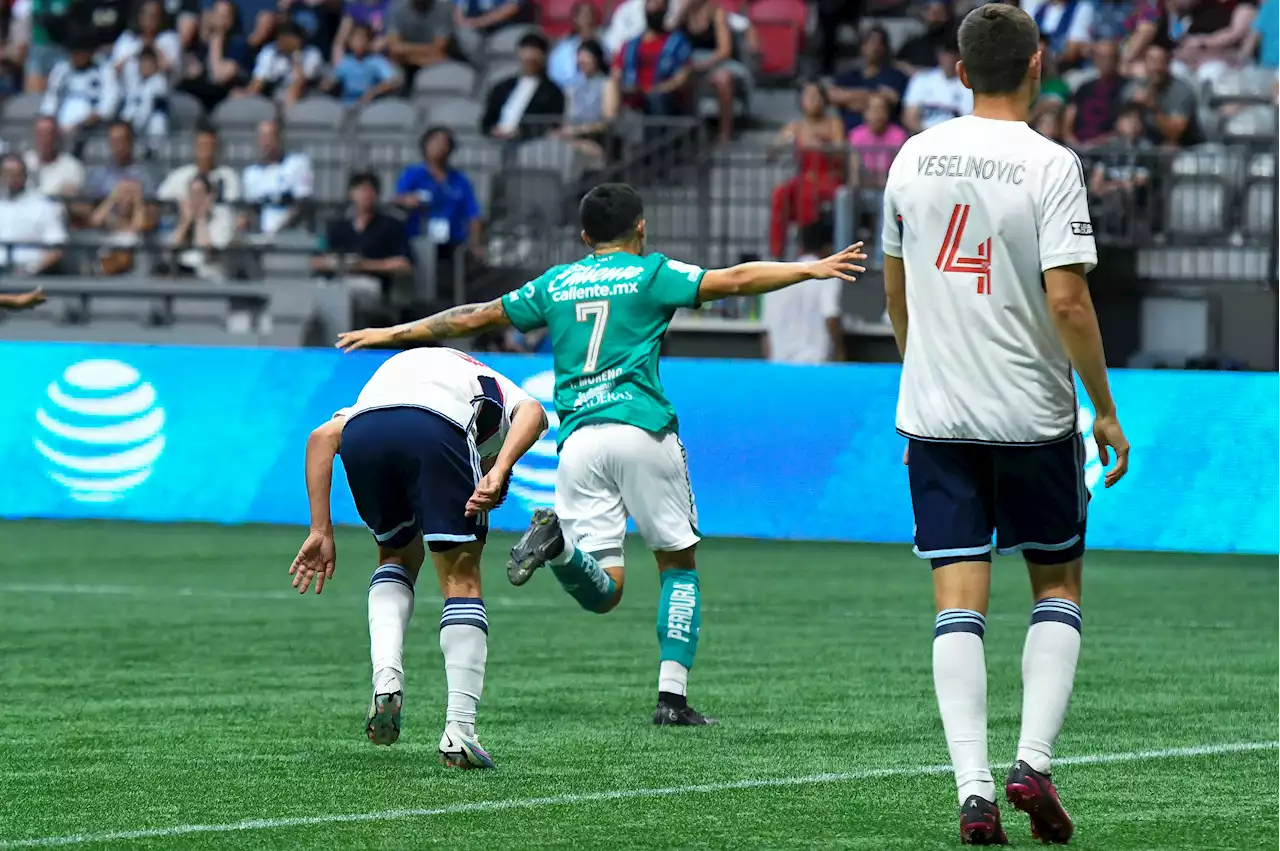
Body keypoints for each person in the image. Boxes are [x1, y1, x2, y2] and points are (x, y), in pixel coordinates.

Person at [335, 182, 868, 726]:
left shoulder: (557, 282)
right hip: (643, 431)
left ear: (585, 235)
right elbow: (733, 280)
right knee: (678, 566)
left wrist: (395, 331)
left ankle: (560, 547)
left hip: (581, 442)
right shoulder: (652, 273)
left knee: (605, 591)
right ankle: (672, 699)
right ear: (641, 226)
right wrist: (811, 269)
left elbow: (473, 316)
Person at [880, 5, 1130, 844]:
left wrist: (925, 366)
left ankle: (974, 791)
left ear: (958, 71)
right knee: (1056, 585)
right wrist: (1103, 407)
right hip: (1030, 414)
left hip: (938, 415)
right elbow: (1068, 299)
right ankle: (1033, 760)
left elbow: (895, 289)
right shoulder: (1053, 164)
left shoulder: (911, 155)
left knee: (958, 600)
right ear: (1038, 65)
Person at [289, 346, 549, 769]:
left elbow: (320, 438)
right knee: (461, 578)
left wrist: (320, 529)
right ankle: (459, 732)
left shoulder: (420, 372)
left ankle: (386, 676)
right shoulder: (498, 392)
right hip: (437, 427)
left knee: (395, 555)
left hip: (365, 431)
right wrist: (499, 471)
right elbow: (535, 411)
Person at [768, 79, 845, 259]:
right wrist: (783, 143)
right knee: (780, 193)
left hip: (827, 178)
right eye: (808, 96)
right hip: (804, 178)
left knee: (807, 196)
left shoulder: (833, 124)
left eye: (816, 96)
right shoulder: (796, 126)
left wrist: (823, 145)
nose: (812, 100)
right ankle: (777, 253)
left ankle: (808, 250)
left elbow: (841, 153)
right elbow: (773, 151)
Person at [313, 170, 413, 300]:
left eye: (369, 190)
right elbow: (316, 260)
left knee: (346, 293)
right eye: (360, 190)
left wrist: (365, 265)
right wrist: (335, 263)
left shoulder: (390, 225)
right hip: (337, 279)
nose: (365, 195)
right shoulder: (337, 226)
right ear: (350, 193)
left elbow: (403, 264)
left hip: (373, 283)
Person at [761, 222, 844, 363]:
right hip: (814, 365)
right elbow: (831, 318)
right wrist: (840, 353)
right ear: (827, 249)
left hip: (780, 366)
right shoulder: (827, 277)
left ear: (800, 248)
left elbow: (766, 334)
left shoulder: (776, 276)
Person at [394, 126, 483, 257]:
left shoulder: (460, 180)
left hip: (453, 241)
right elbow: (398, 199)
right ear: (425, 145)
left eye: (444, 143)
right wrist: (408, 201)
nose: (440, 147)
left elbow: (473, 214)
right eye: (435, 142)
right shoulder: (412, 174)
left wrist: (476, 244)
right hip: (419, 238)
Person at [680, 0, 751, 143]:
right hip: (692, 62)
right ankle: (687, 130)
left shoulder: (717, 13)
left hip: (717, 62)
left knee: (723, 79)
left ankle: (725, 131)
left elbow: (724, 50)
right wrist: (681, 13)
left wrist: (705, 64)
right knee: (681, 77)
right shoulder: (684, 15)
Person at [611, 0, 693, 117]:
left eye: (658, 5)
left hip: (665, 101)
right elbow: (616, 73)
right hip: (633, 99)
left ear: (665, 10)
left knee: (656, 99)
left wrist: (655, 90)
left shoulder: (677, 42)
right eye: (651, 4)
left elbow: (683, 76)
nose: (654, 9)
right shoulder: (630, 45)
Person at [480, 32, 565, 141]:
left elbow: (551, 123)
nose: (529, 57)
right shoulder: (501, 87)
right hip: (496, 143)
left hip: (530, 145)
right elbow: (487, 119)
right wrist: (493, 130)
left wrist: (521, 133)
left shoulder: (552, 92)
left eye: (534, 53)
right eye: (526, 51)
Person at [828, 25, 908, 134]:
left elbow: (893, 98)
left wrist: (850, 100)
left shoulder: (895, 76)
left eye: (879, 43)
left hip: (886, 138)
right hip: (849, 135)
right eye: (870, 43)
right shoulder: (849, 75)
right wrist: (873, 95)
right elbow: (833, 96)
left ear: (885, 48)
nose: (874, 48)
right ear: (862, 46)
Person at [241, 118, 314, 236]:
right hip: (261, 236)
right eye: (263, 138)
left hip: (291, 235)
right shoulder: (250, 173)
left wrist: (280, 230)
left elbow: (303, 204)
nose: (266, 142)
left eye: (270, 137)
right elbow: (252, 209)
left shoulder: (297, 163)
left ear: (279, 139)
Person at [0, 153, 67, 277]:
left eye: (17, 174)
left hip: (30, 275)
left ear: (25, 175)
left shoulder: (45, 207)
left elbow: (56, 250)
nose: (12, 178)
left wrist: (30, 270)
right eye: (7, 173)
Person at [1123, 43, 1201, 147]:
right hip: (1145, 142)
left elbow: (1175, 134)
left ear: (1168, 63)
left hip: (1182, 146)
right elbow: (1120, 118)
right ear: (1145, 63)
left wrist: (1152, 106)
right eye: (1152, 61)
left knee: (1168, 148)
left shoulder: (1181, 90)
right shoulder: (1136, 87)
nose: (1156, 67)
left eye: (1161, 61)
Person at [553, 39, 617, 161]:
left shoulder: (607, 84)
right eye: (580, 57)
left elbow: (609, 119)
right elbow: (567, 117)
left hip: (598, 138)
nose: (582, 61)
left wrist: (580, 130)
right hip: (573, 137)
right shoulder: (574, 88)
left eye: (587, 56)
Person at [40, 41, 121, 136]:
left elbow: (109, 105)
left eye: (80, 53)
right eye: (74, 53)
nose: (76, 56)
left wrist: (88, 121)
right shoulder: (61, 71)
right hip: (60, 130)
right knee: (43, 126)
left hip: (92, 129)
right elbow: (50, 102)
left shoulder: (104, 71)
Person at [156, 125, 241, 207]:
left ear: (217, 148)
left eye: (211, 146)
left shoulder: (229, 177)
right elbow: (161, 201)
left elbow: (232, 205)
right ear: (195, 147)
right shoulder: (178, 176)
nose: (206, 151)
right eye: (202, 146)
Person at [169, 173, 235, 278]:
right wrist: (185, 223)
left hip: (209, 276)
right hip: (182, 274)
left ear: (210, 196)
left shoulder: (223, 216)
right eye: (191, 194)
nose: (194, 199)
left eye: (199, 194)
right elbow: (170, 251)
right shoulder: (183, 215)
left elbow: (209, 252)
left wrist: (201, 219)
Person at [901, 37, 973, 132]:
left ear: (959, 57)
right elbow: (909, 118)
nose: (948, 59)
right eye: (945, 55)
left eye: (952, 55)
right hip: (924, 138)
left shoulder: (969, 84)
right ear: (939, 56)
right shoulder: (922, 79)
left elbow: (970, 121)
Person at [245, 21, 326, 105]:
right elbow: (258, 81)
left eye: (288, 39)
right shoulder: (269, 52)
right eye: (280, 39)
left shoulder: (312, 54)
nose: (283, 42)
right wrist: (246, 93)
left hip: (307, 96)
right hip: (273, 95)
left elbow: (300, 82)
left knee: (292, 92)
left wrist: (296, 56)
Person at [1065, 39, 1124, 147]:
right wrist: (1072, 141)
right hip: (1078, 146)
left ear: (1117, 60)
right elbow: (1068, 119)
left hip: (1108, 148)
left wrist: (1096, 144)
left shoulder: (1125, 89)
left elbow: (1124, 126)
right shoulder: (1084, 88)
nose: (1105, 62)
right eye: (1101, 57)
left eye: (1109, 57)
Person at [327, 22, 403, 105]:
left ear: (369, 42)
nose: (358, 43)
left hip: (369, 105)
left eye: (362, 39)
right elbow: (331, 79)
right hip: (346, 103)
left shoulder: (376, 61)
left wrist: (373, 92)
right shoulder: (346, 61)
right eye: (355, 39)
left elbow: (393, 80)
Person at [386, 0, 454, 83]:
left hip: (433, 64)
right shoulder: (397, 6)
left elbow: (439, 50)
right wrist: (425, 53)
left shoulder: (444, 8)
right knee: (391, 72)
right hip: (404, 63)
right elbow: (394, 48)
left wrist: (405, 50)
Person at [22, 115, 85, 199]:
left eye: (48, 134)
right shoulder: (23, 162)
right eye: (40, 134)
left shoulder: (72, 167)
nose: (44, 139)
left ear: (56, 136)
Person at [1020, 0, 1095, 68]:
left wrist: (1044, 53)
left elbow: (1072, 50)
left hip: (1065, 69)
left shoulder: (1082, 8)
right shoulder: (1035, 8)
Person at [548, 1, 605, 89]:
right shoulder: (563, 49)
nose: (588, 19)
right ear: (575, 19)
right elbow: (555, 77)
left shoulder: (606, 45)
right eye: (584, 15)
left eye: (591, 15)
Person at [118, 46, 170, 144]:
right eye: (142, 62)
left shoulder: (160, 83)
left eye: (148, 63)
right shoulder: (136, 84)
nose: (144, 66)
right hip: (137, 134)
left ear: (155, 64)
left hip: (155, 134)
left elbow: (146, 109)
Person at [897, 0, 957, 74]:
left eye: (938, 13)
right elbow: (898, 63)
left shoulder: (955, 42)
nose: (933, 17)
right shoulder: (915, 44)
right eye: (930, 12)